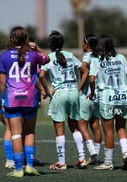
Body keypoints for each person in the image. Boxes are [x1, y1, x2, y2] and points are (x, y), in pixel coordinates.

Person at [0, 26, 47, 178]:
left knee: (16, 134)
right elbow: (47, 58)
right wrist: (36, 47)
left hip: (12, 98)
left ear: (12, 39)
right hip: (29, 98)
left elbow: (1, 80)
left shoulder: (4, 56)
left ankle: (19, 169)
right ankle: (30, 166)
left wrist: (3, 98)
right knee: (30, 132)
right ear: (26, 40)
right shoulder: (32, 54)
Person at [39, 30, 89, 170]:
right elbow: (85, 71)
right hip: (73, 93)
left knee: (59, 130)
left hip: (59, 94)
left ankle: (61, 162)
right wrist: (78, 87)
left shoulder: (49, 57)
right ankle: (82, 158)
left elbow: (41, 75)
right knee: (75, 127)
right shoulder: (70, 55)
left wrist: (47, 92)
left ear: (50, 44)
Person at [88, 34, 127, 170]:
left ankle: (108, 162)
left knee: (109, 132)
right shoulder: (121, 58)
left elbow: (91, 79)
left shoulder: (96, 60)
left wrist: (92, 92)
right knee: (121, 127)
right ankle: (125, 154)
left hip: (107, 99)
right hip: (122, 97)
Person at [79, 34, 102, 165]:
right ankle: (97, 155)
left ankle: (93, 153)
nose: (82, 44)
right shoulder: (100, 56)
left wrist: (79, 88)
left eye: (83, 42)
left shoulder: (88, 56)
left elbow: (84, 69)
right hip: (99, 96)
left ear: (87, 44)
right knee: (95, 125)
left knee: (81, 124)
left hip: (88, 94)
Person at [0, 70, 15, 169]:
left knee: (8, 129)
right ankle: (26, 159)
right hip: (20, 93)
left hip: (4, 93)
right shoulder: (25, 58)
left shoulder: (4, 58)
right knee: (24, 129)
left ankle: (9, 160)